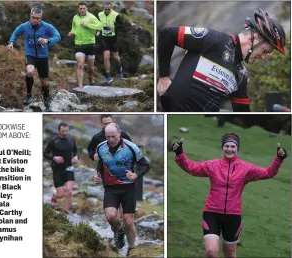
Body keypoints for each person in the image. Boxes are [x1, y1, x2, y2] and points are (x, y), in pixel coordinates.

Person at [170, 133, 287, 258]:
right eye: (227, 146)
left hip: (233, 216)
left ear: (237, 149)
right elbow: (191, 168)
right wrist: (179, 153)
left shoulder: (246, 168)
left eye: (233, 146)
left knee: (230, 253)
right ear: (222, 147)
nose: (229, 149)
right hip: (211, 213)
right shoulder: (212, 165)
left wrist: (279, 159)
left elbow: (268, 173)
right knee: (211, 251)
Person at [157, 8, 286, 112]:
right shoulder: (214, 39)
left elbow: (242, 113)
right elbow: (167, 34)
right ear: (255, 38)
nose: (263, 57)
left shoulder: (241, 75)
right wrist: (163, 78)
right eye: (265, 51)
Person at [93, 123, 150, 256]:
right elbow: (101, 163)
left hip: (128, 188)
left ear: (119, 134)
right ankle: (119, 233)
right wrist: (98, 175)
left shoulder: (131, 147)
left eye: (113, 136)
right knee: (110, 215)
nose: (111, 140)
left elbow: (145, 166)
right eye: (108, 137)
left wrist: (136, 174)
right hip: (111, 187)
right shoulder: (101, 147)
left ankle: (131, 249)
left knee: (128, 221)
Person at [7, 6, 61, 110]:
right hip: (30, 55)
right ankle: (28, 94)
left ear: (41, 18)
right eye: (33, 17)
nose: (35, 20)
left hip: (43, 57)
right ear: (30, 15)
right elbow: (15, 33)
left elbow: (57, 36)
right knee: (30, 71)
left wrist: (47, 41)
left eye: (37, 18)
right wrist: (11, 43)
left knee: (44, 83)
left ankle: (47, 103)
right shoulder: (24, 26)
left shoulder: (47, 26)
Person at [43, 122, 79, 211]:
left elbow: (75, 150)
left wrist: (76, 157)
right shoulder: (53, 141)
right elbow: (45, 153)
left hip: (69, 168)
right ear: (59, 131)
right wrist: (54, 157)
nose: (65, 133)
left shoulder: (71, 139)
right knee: (61, 195)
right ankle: (55, 195)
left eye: (67, 131)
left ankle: (66, 213)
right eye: (63, 131)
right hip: (57, 169)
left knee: (69, 191)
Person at [68, 2, 102, 87]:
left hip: (90, 44)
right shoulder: (75, 17)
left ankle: (90, 77)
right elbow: (74, 27)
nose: (82, 10)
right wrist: (72, 32)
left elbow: (100, 26)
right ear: (78, 9)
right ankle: (80, 87)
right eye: (80, 8)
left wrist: (88, 25)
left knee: (90, 67)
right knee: (80, 64)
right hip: (79, 44)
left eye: (84, 8)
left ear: (86, 9)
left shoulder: (91, 17)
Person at [97, 2, 124, 83]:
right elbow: (97, 24)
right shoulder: (99, 14)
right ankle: (108, 75)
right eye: (106, 9)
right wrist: (98, 31)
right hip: (104, 38)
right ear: (103, 8)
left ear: (111, 8)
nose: (107, 11)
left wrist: (114, 26)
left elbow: (121, 25)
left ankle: (119, 68)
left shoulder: (115, 15)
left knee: (115, 57)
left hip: (113, 39)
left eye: (109, 9)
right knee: (106, 55)